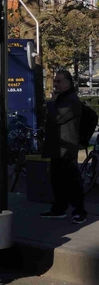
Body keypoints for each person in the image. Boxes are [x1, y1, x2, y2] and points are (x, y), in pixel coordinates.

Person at [40, 70, 87, 224]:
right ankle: (59, 209)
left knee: (72, 181)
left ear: (68, 83)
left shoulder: (71, 100)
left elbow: (57, 118)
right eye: (55, 81)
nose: (55, 84)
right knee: (58, 180)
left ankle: (80, 211)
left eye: (59, 81)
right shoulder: (62, 99)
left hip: (66, 148)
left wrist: (52, 103)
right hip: (58, 147)